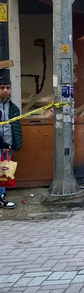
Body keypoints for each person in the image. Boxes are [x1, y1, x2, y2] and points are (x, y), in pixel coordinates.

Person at [0, 71, 22, 209]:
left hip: (8, 145)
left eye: (8, 87)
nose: (5, 90)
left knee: (4, 172)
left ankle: (1, 196)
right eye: (2, 88)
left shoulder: (13, 108)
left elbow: (16, 127)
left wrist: (14, 144)